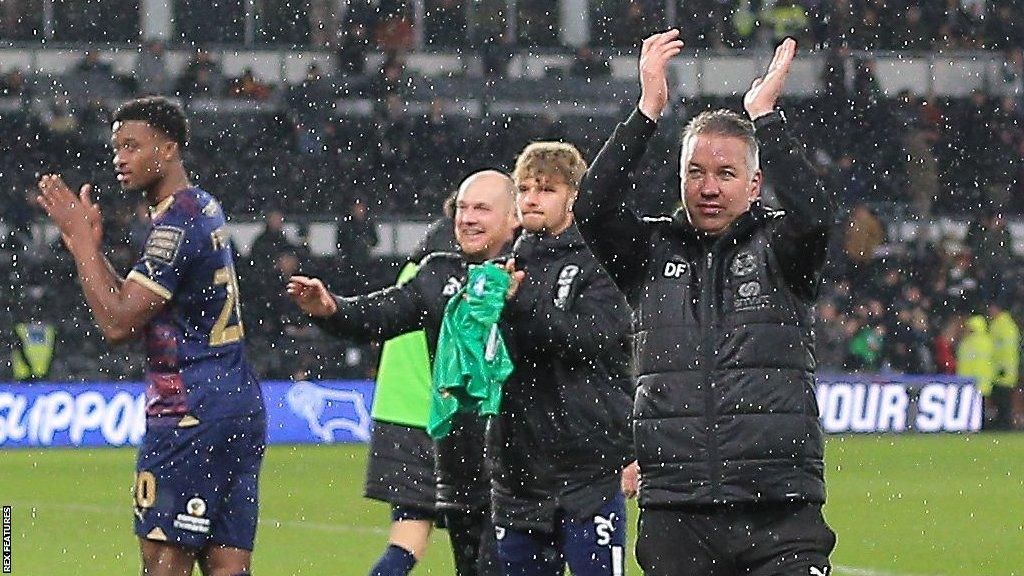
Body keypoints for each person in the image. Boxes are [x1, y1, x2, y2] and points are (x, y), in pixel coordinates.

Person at [573, 33, 836, 575]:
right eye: (696, 172)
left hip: (779, 511)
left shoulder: (782, 250)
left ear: (755, 182)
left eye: (725, 173)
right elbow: (593, 208)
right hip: (678, 513)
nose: (708, 187)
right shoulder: (648, 253)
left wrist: (763, 117)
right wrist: (648, 112)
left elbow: (815, 212)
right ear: (680, 178)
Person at [36, 96, 265, 576]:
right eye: (116, 147)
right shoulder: (200, 206)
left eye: (132, 146)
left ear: (168, 149)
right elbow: (141, 302)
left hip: (189, 412)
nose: (119, 158)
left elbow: (118, 323)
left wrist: (79, 242)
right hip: (235, 403)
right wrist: (94, 251)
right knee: (228, 566)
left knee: (162, 562)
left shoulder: (175, 225)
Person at [287, 171, 518, 576]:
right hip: (462, 465)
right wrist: (332, 309)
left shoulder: (539, 271)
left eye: (481, 208)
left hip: (526, 463)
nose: (466, 218)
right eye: (462, 208)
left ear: (514, 216)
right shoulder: (437, 275)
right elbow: (379, 313)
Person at [494, 141, 635, 576]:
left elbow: (589, 339)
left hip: (587, 473)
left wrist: (519, 306)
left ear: (574, 196)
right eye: (524, 188)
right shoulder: (506, 266)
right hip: (519, 477)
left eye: (546, 189)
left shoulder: (603, 262)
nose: (531, 198)